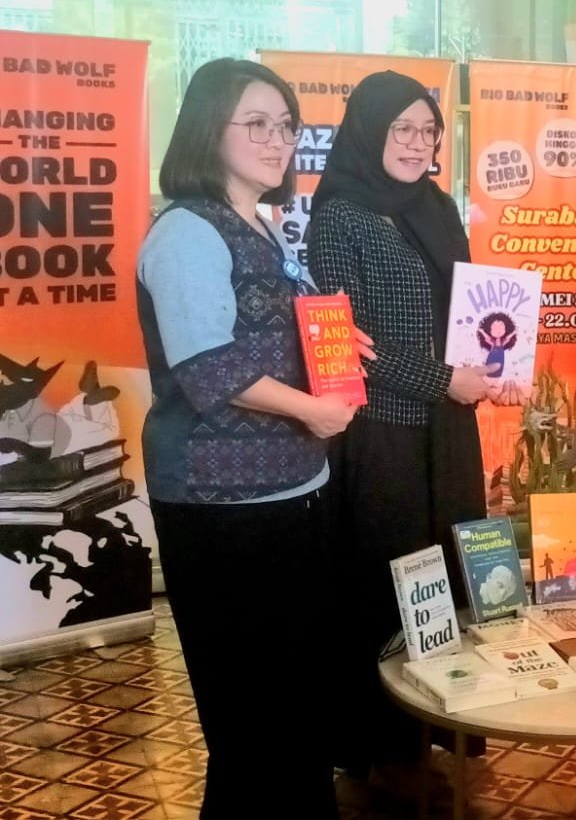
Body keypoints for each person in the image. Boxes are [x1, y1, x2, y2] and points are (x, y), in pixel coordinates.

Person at [136, 58, 369, 817]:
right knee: (252, 720)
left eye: (287, 126)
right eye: (257, 124)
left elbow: (264, 332)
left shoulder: (259, 224)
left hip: (289, 489)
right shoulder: (186, 230)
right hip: (221, 502)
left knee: (295, 709)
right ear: (210, 129)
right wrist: (310, 409)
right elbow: (208, 365)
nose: (278, 140)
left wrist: (334, 346)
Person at [308, 71, 493, 772]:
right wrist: (447, 379)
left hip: (449, 428)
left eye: (428, 131)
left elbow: (467, 310)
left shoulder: (435, 205)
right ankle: (380, 736)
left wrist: (494, 361)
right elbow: (347, 345)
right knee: (388, 578)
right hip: (382, 432)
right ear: (367, 131)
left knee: (448, 570)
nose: (417, 144)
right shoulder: (338, 218)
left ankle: (445, 713)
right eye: (401, 129)